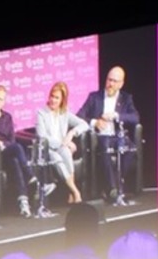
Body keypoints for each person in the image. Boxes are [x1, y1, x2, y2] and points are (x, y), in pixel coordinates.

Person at [0, 84, 56, 219]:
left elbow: (11, 140)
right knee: (17, 150)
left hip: (7, 152)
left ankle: (24, 204)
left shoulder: (7, 118)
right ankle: (31, 177)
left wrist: (2, 144)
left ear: (3, 102)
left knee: (15, 158)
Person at [76, 66, 141, 205]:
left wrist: (116, 115)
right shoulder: (94, 97)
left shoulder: (126, 98)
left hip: (118, 136)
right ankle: (113, 189)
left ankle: (115, 184)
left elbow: (135, 118)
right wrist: (95, 122)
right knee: (105, 144)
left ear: (121, 84)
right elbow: (79, 116)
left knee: (130, 148)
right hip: (101, 137)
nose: (110, 84)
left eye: (114, 81)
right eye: (109, 80)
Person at [35, 81, 90, 204]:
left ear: (62, 100)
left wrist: (71, 133)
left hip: (61, 147)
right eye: (52, 96)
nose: (53, 100)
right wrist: (63, 143)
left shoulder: (64, 114)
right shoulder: (41, 113)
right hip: (46, 149)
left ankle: (70, 194)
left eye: (57, 98)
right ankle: (75, 191)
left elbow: (84, 124)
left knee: (66, 153)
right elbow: (42, 137)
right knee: (57, 157)